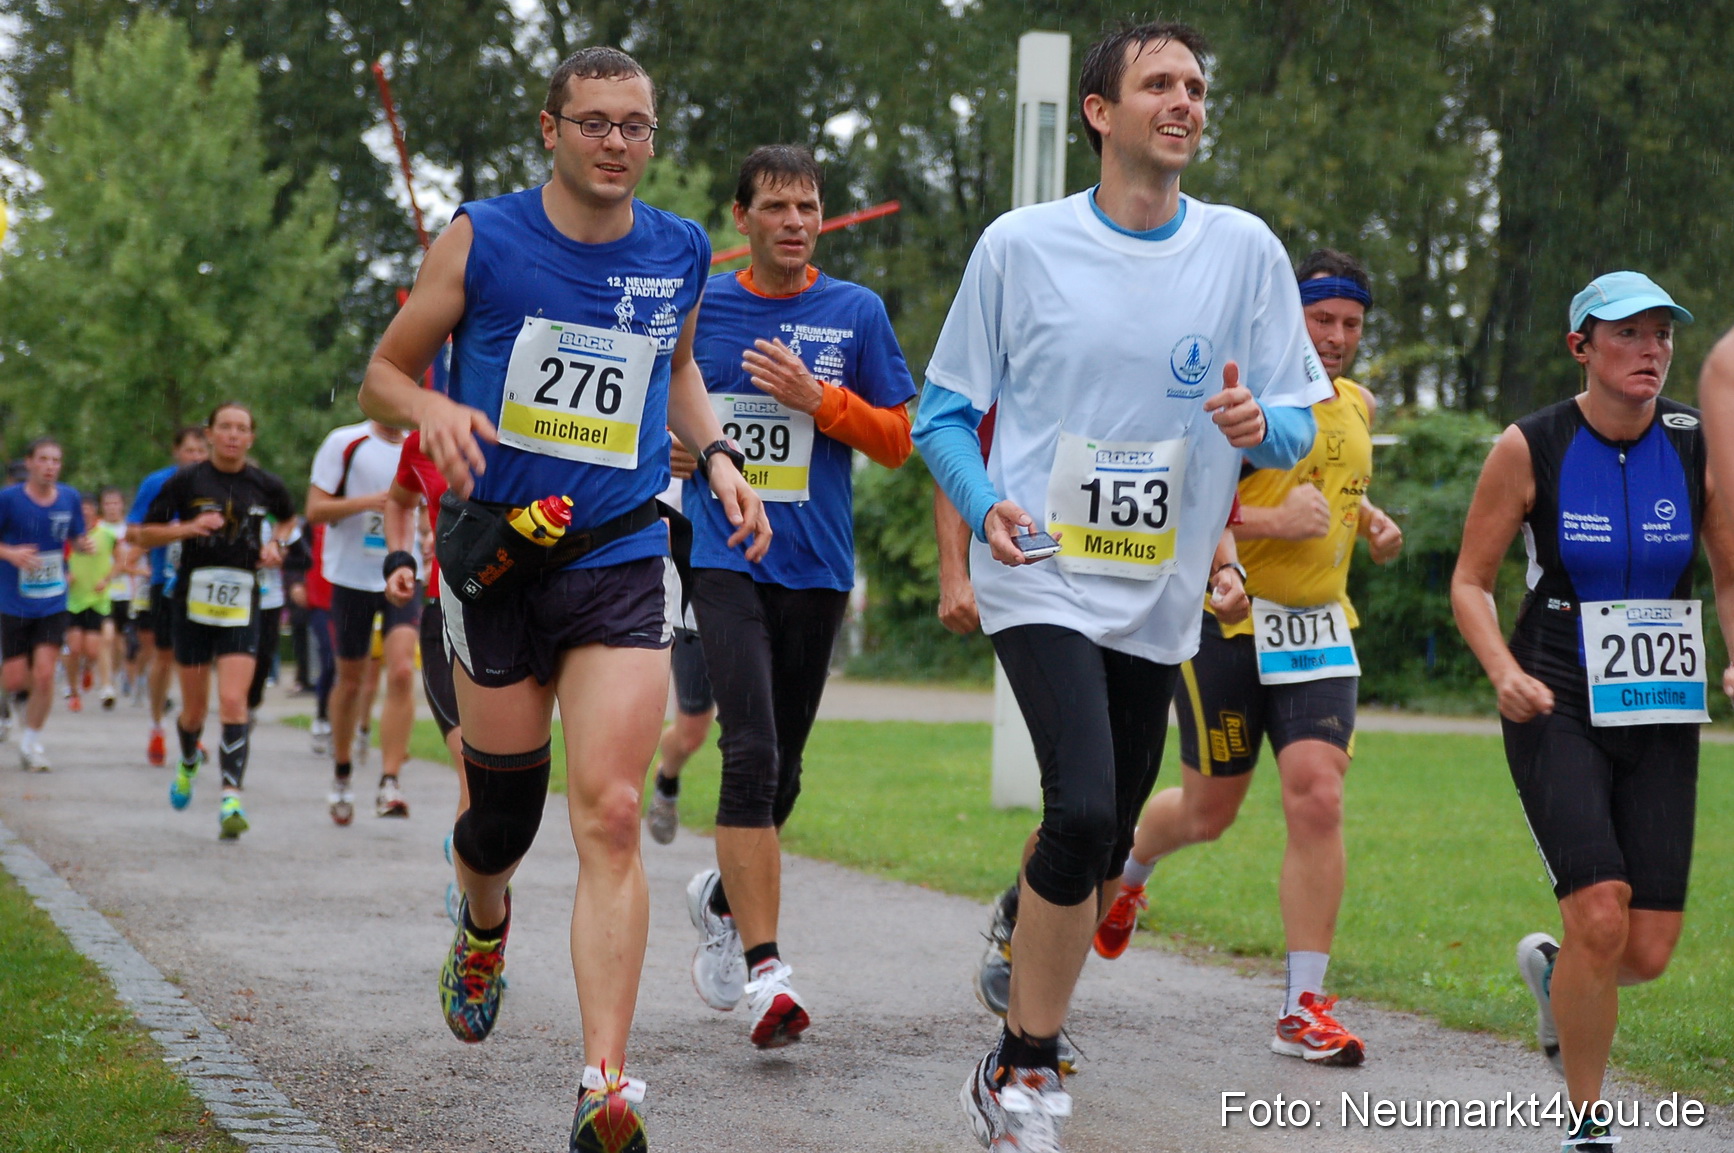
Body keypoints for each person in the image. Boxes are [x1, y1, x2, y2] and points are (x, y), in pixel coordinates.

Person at [914, 22, 1330, 1151]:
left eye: (1197, 86)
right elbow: (941, 412)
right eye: (1160, 84)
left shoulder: (1243, 249)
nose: (1186, 102)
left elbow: (1298, 409)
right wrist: (983, 502)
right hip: (1039, 572)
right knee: (1087, 806)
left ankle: (1026, 956)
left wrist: (1262, 424)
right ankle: (1020, 1069)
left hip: (1159, 595)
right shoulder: (1020, 246)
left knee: (1094, 852)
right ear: (1101, 112)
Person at [357, 45, 770, 1150]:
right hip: (495, 563)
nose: (617, 143)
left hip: (621, 554)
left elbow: (675, 370)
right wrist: (429, 414)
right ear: (551, 129)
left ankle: (604, 1083)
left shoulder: (680, 248)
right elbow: (385, 373)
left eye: (634, 124)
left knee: (614, 810)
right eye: (593, 122)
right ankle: (483, 922)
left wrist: (720, 455)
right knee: (500, 821)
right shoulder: (483, 237)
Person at [1092, 250, 1403, 1067]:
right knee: (1208, 813)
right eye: (1322, 321)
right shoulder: (1239, 399)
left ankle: (1303, 1004)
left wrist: (1364, 518)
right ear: (1288, 319)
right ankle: (1129, 872)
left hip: (1320, 631)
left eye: (1350, 326)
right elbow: (1201, 499)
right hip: (1229, 623)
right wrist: (1252, 545)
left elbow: (1329, 482)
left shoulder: (1358, 404)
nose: (1335, 339)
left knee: (1317, 796)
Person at [1452, 271, 1730, 1152]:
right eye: (1628, 334)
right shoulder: (1528, 445)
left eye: (1662, 335)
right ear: (1582, 347)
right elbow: (1468, 581)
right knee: (1600, 912)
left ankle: (1555, 977)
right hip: (1554, 692)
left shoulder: (1696, 443)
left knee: (1642, 950)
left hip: (1663, 700)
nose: (1651, 350)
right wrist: (1500, 669)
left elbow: (1729, 566)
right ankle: (1584, 1119)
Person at [682, 144, 915, 1049]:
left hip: (816, 565)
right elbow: (659, 402)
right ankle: (767, 973)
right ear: (741, 217)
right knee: (750, 754)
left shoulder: (854, 310)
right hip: (724, 552)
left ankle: (718, 893)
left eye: (807, 207)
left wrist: (823, 402)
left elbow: (899, 438)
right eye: (775, 206)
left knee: (785, 772)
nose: (794, 221)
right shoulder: (707, 305)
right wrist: (687, 451)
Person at [137, 403, 296, 840]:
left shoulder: (264, 484)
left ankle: (231, 797)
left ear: (251, 437)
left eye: (241, 428)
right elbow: (143, 533)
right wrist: (187, 528)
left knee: (232, 702)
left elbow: (289, 518)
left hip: (242, 604)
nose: (232, 435)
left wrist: (276, 547)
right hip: (193, 603)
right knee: (193, 710)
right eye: (224, 427)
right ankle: (188, 761)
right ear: (209, 433)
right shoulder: (186, 480)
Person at [305, 418, 416, 822]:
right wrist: (369, 502)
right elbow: (315, 510)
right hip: (352, 575)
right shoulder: (345, 442)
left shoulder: (421, 445)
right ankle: (342, 769)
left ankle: (390, 781)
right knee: (350, 680)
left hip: (403, 570)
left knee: (402, 671)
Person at [384, 429, 468, 921]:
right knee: (473, 766)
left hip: (519, 616)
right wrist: (400, 560)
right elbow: (400, 501)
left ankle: (470, 848)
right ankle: (475, 917)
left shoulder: (540, 416)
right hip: (446, 611)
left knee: (506, 789)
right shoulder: (424, 439)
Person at [0, 439, 86, 771]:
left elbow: (75, 536)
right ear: (30, 463)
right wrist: (11, 554)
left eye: (56, 460)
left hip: (53, 600)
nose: (50, 466)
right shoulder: (8, 500)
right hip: (13, 600)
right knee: (14, 679)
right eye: (44, 459)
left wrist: (84, 544)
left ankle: (31, 742)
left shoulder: (69, 497)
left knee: (47, 674)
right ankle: (16, 705)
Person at [127, 426, 210, 764]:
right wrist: (177, 532)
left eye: (201, 451)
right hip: (166, 582)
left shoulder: (218, 483)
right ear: (176, 452)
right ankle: (157, 724)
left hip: (204, 583)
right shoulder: (157, 483)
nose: (195, 457)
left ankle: (193, 731)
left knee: (199, 663)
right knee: (165, 657)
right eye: (189, 450)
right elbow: (134, 531)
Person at [644, 448, 714, 848]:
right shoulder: (675, 391)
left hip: (753, 570)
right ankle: (666, 779)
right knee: (691, 733)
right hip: (689, 582)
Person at [64, 491, 119, 714]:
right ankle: (73, 691)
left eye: (88, 509)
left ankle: (88, 669)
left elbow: (121, 559)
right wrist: (65, 574)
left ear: (95, 511)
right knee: (74, 647)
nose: (85, 513)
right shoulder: (67, 535)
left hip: (96, 599)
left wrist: (106, 579)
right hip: (72, 600)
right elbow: (57, 557)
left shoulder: (106, 534)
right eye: (81, 510)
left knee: (93, 650)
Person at [98, 486, 136, 708]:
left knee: (123, 644)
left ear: (122, 505)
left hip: (129, 592)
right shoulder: (97, 530)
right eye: (107, 503)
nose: (112, 507)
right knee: (107, 638)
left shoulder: (130, 530)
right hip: (104, 593)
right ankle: (106, 686)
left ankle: (119, 673)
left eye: (116, 503)